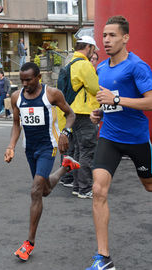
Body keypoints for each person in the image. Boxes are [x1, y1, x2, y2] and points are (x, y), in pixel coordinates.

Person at [87, 15, 152, 270]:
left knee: (149, 186)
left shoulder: (138, 66)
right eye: (104, 35)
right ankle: (103, 258)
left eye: (112, 35)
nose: (106, 40)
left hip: (136, 139)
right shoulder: (101, 69)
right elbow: (108, 104)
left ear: (125, 37)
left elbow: (150, 102)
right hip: (109, 137)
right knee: (99, 190)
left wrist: (117, 101)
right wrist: (99, 113)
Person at [4, 62, 80, 261]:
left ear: (38, 77)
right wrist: (10, 146)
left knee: (36, 190)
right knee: (44, 190)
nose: (25, 83)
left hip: (49, 147)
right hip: (30, 149)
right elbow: (16, 124)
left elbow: (70, 114)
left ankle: (29, 243)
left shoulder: (52, 94)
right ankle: (66, 167)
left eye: (28, 79)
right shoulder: (16, 97)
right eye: (22, 80)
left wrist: (65, 132)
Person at [63, 36, 100, 199]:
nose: (94, 52)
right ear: (89, 47)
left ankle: (78, 186)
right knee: (87, 151)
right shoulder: (84, 64)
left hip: (73, 112)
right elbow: (94, 88)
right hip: (84, 112)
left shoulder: (70, 63)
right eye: (93, 49)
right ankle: (85, 188)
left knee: (78, 149)